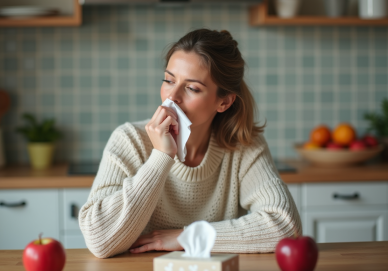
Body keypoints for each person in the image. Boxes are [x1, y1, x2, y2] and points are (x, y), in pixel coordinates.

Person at [79, 28, 302, 259]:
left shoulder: (244, 145)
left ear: (224, 102)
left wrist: (184, 237)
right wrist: (161, 157)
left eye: (192, 88)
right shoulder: (129, 140)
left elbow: (286, 228)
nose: (172, 96)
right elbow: (99, 240)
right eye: (168, 80)